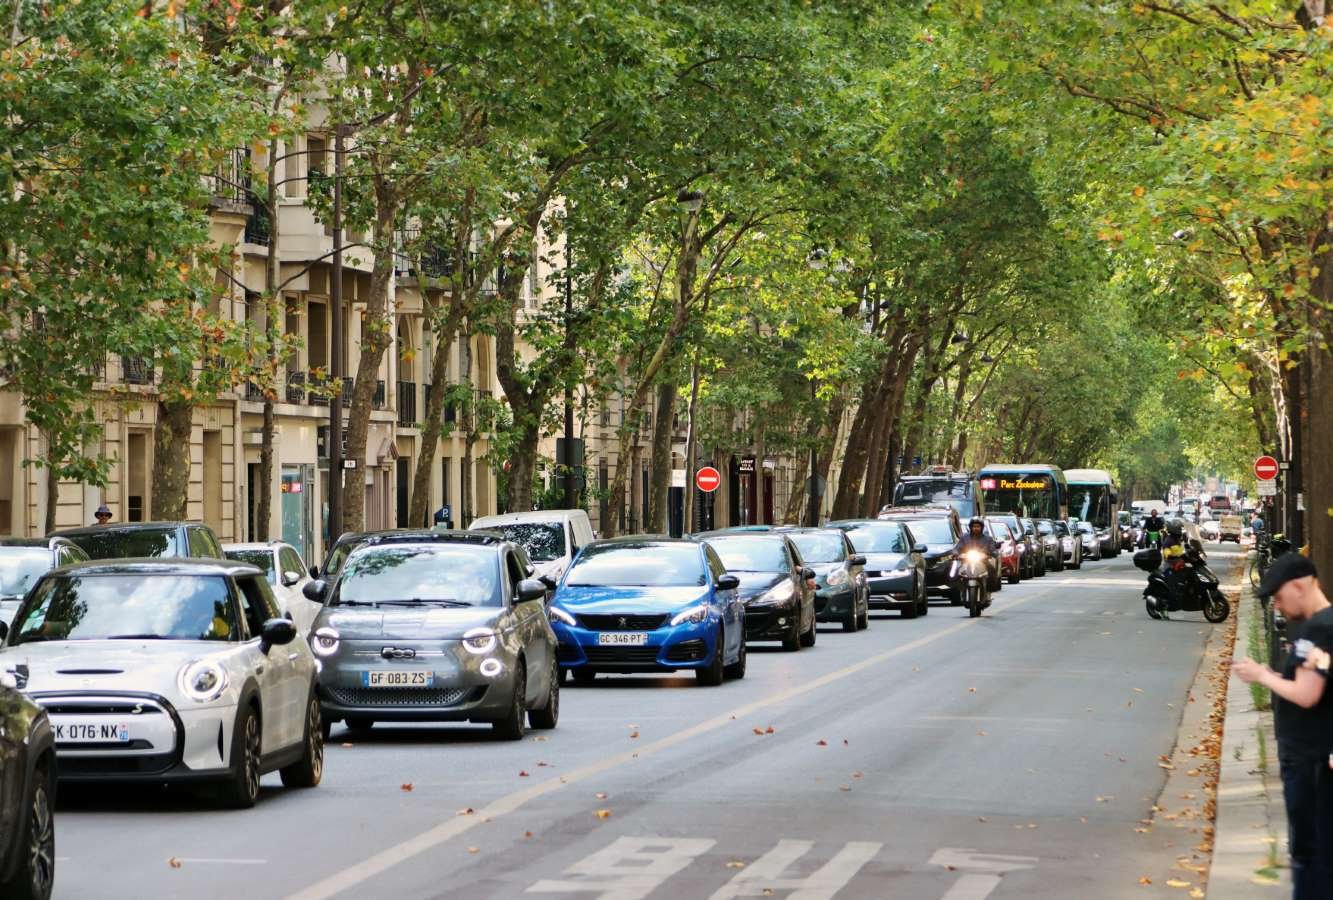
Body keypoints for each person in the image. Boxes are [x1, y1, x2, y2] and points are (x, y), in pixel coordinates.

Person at [1234, 554, 1333, 899]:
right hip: (1314, 757)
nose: (1276, 605)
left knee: (1311, 854)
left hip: (1309, 761)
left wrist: (1262, 676)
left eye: (1278, 596)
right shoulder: (1323, 628)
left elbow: (1307, 694)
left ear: (1299, 586)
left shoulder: (1317, 632)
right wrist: (1276, 677)